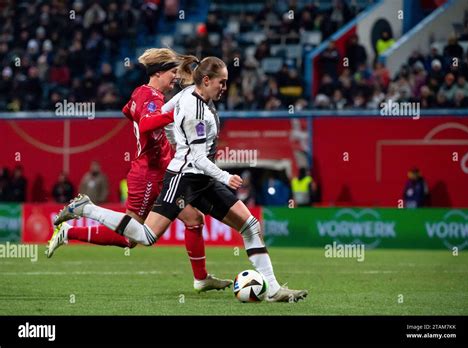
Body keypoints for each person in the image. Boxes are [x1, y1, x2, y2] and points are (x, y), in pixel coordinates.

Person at [54, 56, 308, 302]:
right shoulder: (196, 110)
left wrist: (175, 138)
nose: (225, 88)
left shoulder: (187, 95)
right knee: (145, 236)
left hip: (202, 179)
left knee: (249, 225)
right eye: (222, 82)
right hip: (183, 178)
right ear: (207, 80)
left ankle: (272, 289)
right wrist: (225, 176)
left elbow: (163, 118)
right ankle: (87, 208)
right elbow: (197, 158)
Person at [47, 49, 231, 292]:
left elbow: (129, 112)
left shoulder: (141, 94)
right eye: (172, 73)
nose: (175, 78)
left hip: (163, 170)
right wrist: (173, 114)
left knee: (194, 219)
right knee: (131, 238)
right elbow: (145, 123)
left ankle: (201, 278)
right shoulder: (153, 98)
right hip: (148, 174)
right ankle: (81, 216)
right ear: (158, 73)